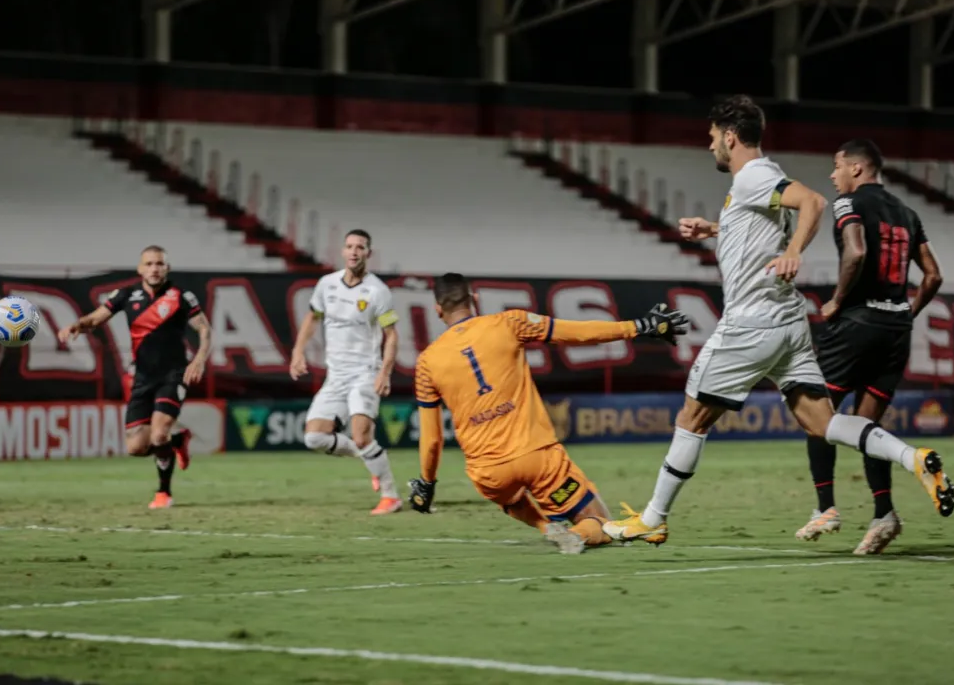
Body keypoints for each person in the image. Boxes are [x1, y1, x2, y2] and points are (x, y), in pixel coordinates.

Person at [602, 95, 954, 546]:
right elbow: (762, 224)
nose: (709, 144)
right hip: (788, 323)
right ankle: (914, 458)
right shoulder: (753, 184)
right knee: (821, 423)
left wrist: (793, 253)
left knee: (692, 417)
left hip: (752, 321)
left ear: (730, 136)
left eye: (712, 136)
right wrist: (713, 228)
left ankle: (652, 519)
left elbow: (812, 202)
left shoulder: (754, 174)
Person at [406, 273, 688, 554]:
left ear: (438, 309)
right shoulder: (508, 323)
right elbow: (576, 332)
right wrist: (639, 326)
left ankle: (546, 527)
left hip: (489, 472)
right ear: (475, 299)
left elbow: (432, 439)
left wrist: (427, 484)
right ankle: (576, 535)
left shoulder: (427, 362)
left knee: (511, 499)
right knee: (598, 521)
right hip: (537, 458)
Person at [796, 139, 946, 555]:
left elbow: (857, 251)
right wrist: (906, 313)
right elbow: (933, 276)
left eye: (836, 165)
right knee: (868, 427)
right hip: (896, 329)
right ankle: (884, 514)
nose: (832, 174)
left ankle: (825, 507)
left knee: (817, 414)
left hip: (856, 326)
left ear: (857, 169)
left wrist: (838, 301)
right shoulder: (908, 213)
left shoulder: (849, 205)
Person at [58, 245, 211, 509]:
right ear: (140, 269)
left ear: (167, 268)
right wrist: (77, 325)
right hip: (142, 376)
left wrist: (199, 359)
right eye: (149, 264)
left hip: (173, 374)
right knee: (136, 448)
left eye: (159, 264)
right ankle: (178, 440)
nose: (154, 268)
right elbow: (96, 319)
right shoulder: (127, 295)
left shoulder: (181, 296)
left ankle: (164, 493)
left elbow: (205, 330)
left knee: (159, 433)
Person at [290, 229, 402, 515]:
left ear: (368, 253)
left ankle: (391, 496)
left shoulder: (378, 291)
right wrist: (297, 351)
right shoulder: (326, 284)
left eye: (360, 247)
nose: (354, 252)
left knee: (362, 435)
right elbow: (312, 317)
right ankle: (370, 458)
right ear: (342, 251)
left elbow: (392, 335)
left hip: (365, 372)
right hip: (336, 375)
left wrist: (385, 372)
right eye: (350, 246)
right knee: (314, 438)